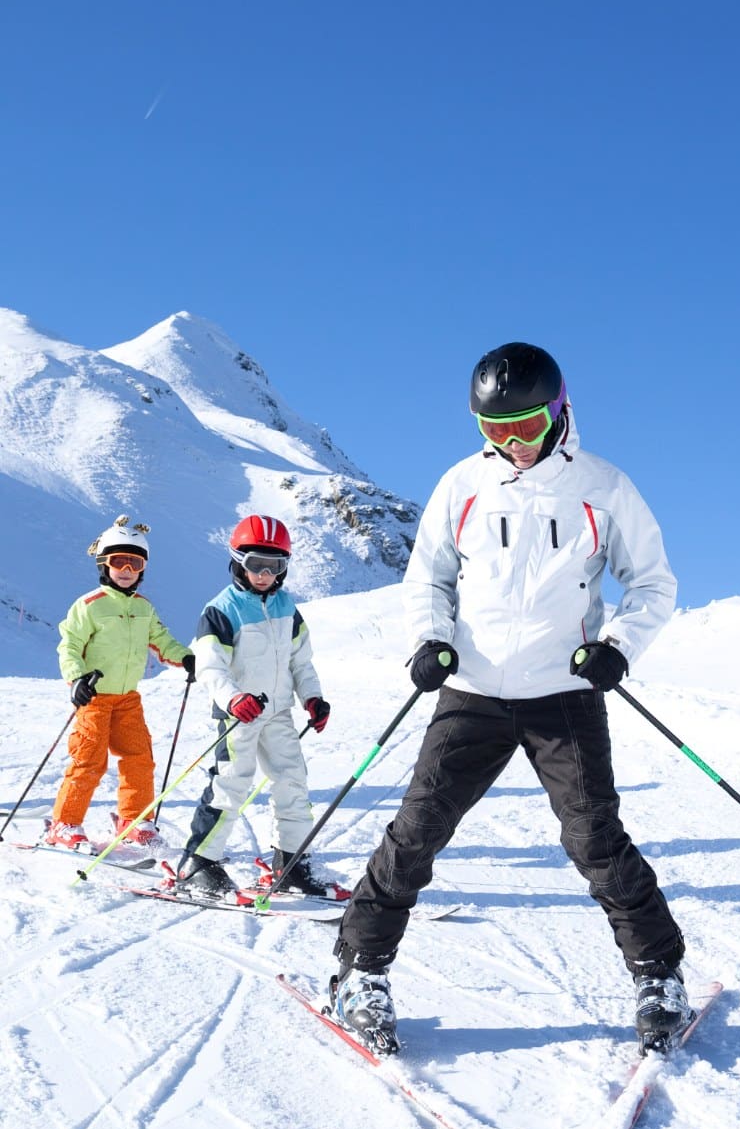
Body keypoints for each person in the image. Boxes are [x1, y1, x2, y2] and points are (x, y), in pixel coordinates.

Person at [328, 342, 687, 1057]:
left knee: (593, 838)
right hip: (474, 690)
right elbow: (428, 577)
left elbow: (653, 583)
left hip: (564, 692)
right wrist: (431, 640)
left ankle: (658, 973)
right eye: (494, 429)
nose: (513, 443)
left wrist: (617, 646)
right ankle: (359, 970)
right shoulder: (463, 484)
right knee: (418, 831)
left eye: (526, 425)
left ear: (558, 412)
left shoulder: (604, 487)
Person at [177, 514, 350, 901]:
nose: (265, 574)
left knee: (293, 781)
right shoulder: (222, 609)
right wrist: (233, 698)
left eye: (275, 566)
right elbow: (210, 665)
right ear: (238, 561)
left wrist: (312, 698)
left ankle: (291, 863)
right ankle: (198, 863)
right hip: (238, 714)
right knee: (231, 783)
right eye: (257, 564)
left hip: (278, 713)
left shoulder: (287, 606)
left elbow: (300, 662)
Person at [47, 515, 195, 852]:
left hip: (128, 699)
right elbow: (69, 646)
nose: (126, 569)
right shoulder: (89, 606)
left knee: (139, 758)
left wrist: (186, 657)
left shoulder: (144, 608)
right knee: (89, 760)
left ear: (143, 569)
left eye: (135, 563)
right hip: (94, 698)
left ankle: (134, 820)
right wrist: (77, 678)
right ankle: (64, 823)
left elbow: (162, 640)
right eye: (118, 561)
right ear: (104, 564)